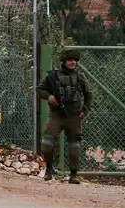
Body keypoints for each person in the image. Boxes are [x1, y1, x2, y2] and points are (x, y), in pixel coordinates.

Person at [37, 49, 93, 184]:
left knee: (74, 146)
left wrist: (84, 111)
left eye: (75, 60)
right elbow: (39, 89)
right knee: (47, 143)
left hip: (74, 116)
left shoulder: (79, 77)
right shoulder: (53, 76)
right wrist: (49, 96)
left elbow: (89, 94)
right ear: (64, 61)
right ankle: (49, 169)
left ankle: (73, 175)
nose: (73, 62)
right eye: (70, 60)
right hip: (57, 115)